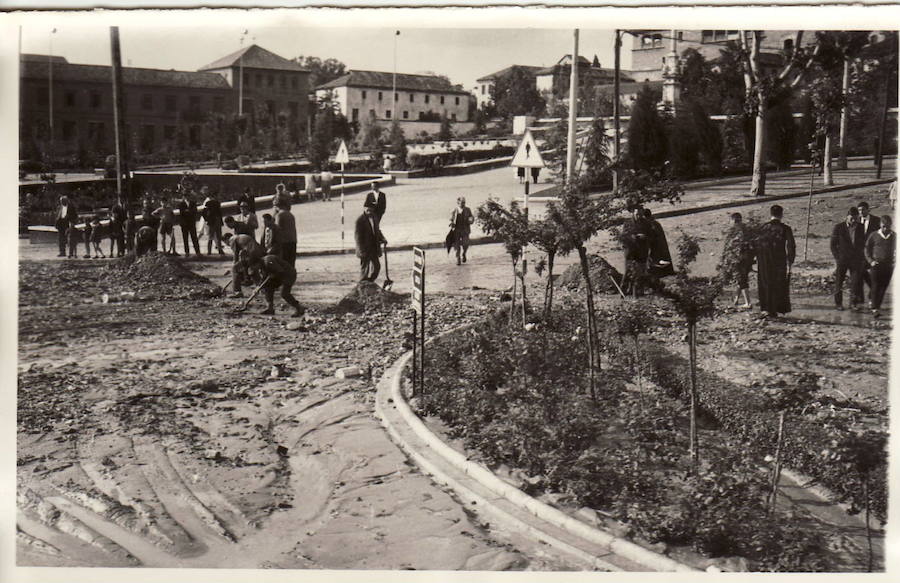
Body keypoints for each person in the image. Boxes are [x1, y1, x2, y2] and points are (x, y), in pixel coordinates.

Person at [755, 205, 796, 318]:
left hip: (764, 260)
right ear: (781, 215)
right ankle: (777, 309)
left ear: (770, 214)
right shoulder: (785, 228)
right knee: (778, 283)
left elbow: (755, 243)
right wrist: (790, 260)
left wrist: (757, 258)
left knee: (765, 283)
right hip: (779, 260)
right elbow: (791, 245)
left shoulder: (762, 227)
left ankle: (766, 309)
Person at [242, 253, 305, 317]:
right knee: (267, 287)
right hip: (278, 276)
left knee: (284, 293)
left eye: (254, 266)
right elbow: (264, 278)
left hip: (288, 275)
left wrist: (273, 274)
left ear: (257, 263)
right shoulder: (262, 266)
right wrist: (258, 288)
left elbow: (280, 271)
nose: (255, 269)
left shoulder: (268, 261)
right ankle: (270, 308)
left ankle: (299, 308)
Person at [830, 207, 866, 311]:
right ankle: (838, 304)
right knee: (839, 282)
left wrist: (861, 257)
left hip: (855, 260)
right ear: (847, 216)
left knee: (855, 282)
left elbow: (862, 243)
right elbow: (833, 245)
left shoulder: (861, 227)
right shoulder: (839, 227)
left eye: (856, 218)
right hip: (842, 260)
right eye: (852, 218)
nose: (854, 221)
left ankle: (853, 304)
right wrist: (837, 258)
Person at [864, 215, 895, 318]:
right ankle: (874, 308)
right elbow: (867, 249)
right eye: (883, 226)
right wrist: (870, 261)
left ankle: (877, 305)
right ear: (880, 225)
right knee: (875, 286)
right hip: (876, 265)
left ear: (890, 225)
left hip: (888, 266)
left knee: (883, 287)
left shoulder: (894, 236)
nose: (885, 229)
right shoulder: (874, 235)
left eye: (887, 226)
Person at [721, 212, 754, 309]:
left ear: (733, 221)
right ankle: (736, 300)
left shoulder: (733, 232)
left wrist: (725, 259)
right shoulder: (747, 230)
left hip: (738, 259)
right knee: (741, 278)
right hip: (747, 259)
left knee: (741, 280)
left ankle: (748, 303)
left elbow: (728, 247)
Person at [620, 204, 653, 297]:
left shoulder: (646, 223)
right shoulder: (627, 223)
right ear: (633, 213)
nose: (638, 216)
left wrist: (645, 237)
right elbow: (624, 236)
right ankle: (623, 291)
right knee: (628, 271)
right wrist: (634, 237)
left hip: (642, 251)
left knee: (641, 271)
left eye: (640, 214)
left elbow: (651, 236)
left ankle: (639, 291)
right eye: (637, 213)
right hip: (630, 251)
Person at [355, 200, 387, 282]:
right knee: (365, 269)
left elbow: (377, 230)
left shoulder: (375, 217)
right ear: (364, 208)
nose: (369, 211)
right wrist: (362, 251)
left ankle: (370, 282)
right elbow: (358, 237)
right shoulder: (360, 220)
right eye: (367, 209)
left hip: (374, 247)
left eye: (371, 209)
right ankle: (362, 284)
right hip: (365, 249)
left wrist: (383, 238)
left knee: (377, 267)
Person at [224, 232, 264, 297]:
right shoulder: (240, 237)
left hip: (252, 254)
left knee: (235, 269)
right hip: (257, 253)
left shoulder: (232, 239)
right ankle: (261, 288)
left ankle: (237, 291)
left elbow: (235, 256)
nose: (227, 245)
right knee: (252, 270)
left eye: (225, 242)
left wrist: (233, 267)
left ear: (226, 239)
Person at [857, 201, 881, 302]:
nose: (861, 212)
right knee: (859, 273)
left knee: (868, 272)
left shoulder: (876, 221)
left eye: (863, 210)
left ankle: (873, 291)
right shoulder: (856, 220)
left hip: (871, 253)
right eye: (859, 210)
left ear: (868, 209)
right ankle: (861, 298)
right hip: (859, 253)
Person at [643, 208, 675, 281]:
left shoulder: (651, 224)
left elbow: (652, 236)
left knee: (656, 260)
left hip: (656, 246)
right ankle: (665, 272)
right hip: (660, 245)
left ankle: (658, 274)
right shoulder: (655, 223)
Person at [449, 196, 474, 265]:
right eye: (462, 203)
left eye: (464, 202)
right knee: (456, 245)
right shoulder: (454, 210)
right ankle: (458, 258)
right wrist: (451, 223)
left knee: (466, 244)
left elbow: (471, 217)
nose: (463, 204)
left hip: (465, 229)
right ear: (458, 203)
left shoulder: (468, 209)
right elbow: (451, 219)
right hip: (456, 230)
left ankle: (464, 253)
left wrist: (471, 220)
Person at [201, 188, 225, 255]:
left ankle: (218, 250)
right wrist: (207, 220)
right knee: (212, 237)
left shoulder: (216, 203)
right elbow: (204, 213)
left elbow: (219, 214)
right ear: (214, 196)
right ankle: (210, 251)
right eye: (216, 196)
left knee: (217, 236)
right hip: (212, 222)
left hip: (216, 221)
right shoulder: (209, 203)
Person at [177, 190, 202, 256]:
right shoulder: (181, 204)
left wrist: (187, 211)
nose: (187, 197)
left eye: (188, 195)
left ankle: (198, 252)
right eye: (185, 196)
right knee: (185, 238)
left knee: (194, 238)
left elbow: (195, 211)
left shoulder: (193, 203)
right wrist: (189, 211)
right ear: (184, 197)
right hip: (184, 223)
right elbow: (181, 213)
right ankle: (187, 252)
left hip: (191, 223)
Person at [274, 197, 298, 266]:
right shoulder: (290, 214)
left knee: (284, 263)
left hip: (284, 242)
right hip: (293, 240)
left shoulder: (279, 215)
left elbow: (277, 229)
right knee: (291, 263)